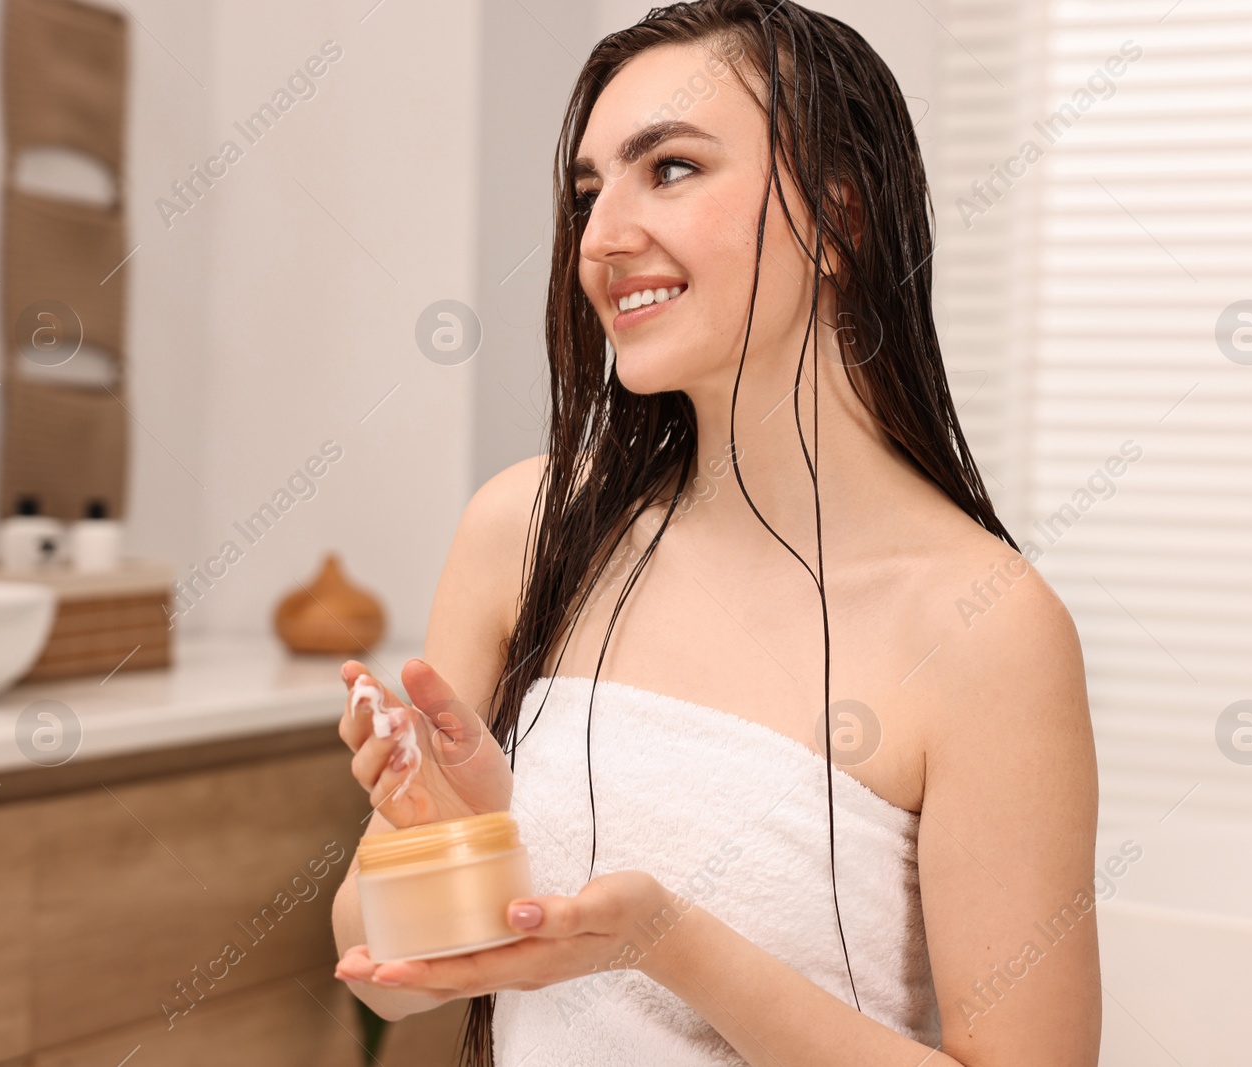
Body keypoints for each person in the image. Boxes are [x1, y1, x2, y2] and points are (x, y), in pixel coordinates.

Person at [331, 2, 1100, 1063]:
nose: (600, 237)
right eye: (588, 191)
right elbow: (384, 977)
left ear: (838, 216)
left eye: (673, 169)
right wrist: (441, 831)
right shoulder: (528, 525)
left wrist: (669, 943)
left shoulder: (983, 627)